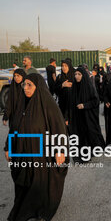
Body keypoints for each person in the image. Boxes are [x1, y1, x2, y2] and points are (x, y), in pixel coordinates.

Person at [4, 73, 68, 221]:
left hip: (42, 153)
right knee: (24, 182)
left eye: (29, 85)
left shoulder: (48, 104)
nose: (25, 88)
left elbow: (59, 128)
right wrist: (8, 147)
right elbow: (14, 128)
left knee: (40, 182)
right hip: (23, 153)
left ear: (37, 86)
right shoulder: (21, 104)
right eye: (23, 85)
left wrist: (60, 150)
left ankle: (42, 210)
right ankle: (26, 209)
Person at [69, 67, 105, 161]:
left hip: (88, 116)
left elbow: (96, 101)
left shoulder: (89, 86)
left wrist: (84, 105)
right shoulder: (74, 87)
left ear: (83, 75)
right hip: (77, 117)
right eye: (75, 74)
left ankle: (90, 151)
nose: (77, 76)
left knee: (90, 134)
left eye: (79, 74)